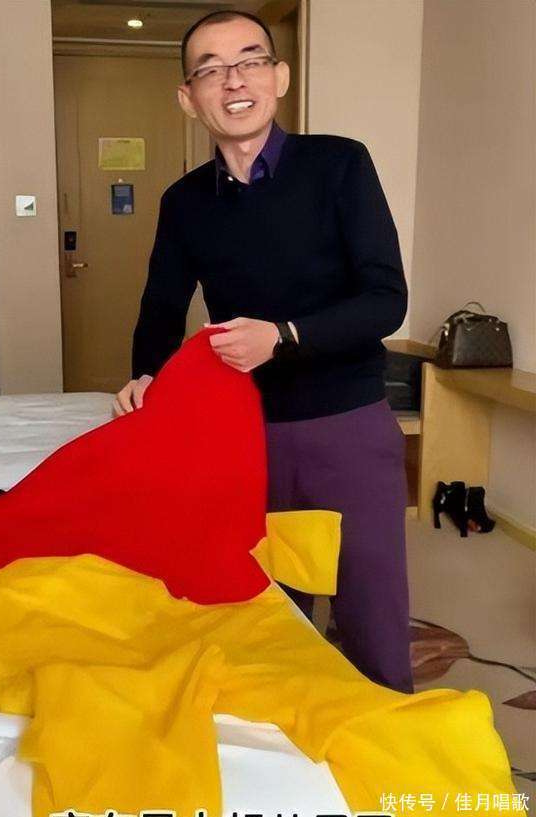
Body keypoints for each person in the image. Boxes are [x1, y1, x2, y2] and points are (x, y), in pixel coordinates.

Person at [112, 9, 413, 694]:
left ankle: (388, 732)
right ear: (188, 98)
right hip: (244, 429)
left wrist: (282, 335)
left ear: (279, 77)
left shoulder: (340, 164)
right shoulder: (184, 201)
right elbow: (161, 308)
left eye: (249, 61)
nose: (233, 81)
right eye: (211, 70)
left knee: (370, 605)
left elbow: (385, 300)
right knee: (269, 609)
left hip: (347, 422)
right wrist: (145, 375)